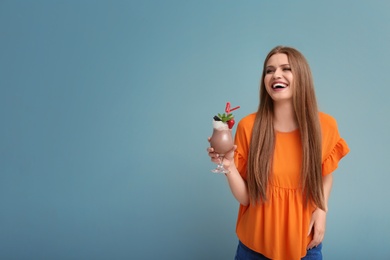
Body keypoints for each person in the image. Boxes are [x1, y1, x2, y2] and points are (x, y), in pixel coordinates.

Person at [207, 46, 349, 260]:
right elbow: (247, 198)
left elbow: (325, 175)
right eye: (269, 70)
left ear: (301, 76)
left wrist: (321, 211)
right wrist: (228, 167)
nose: (276, 75)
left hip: (304, 247)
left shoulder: (325, 126)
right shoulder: (248, 127)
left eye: (286, 68)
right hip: (253, 249)